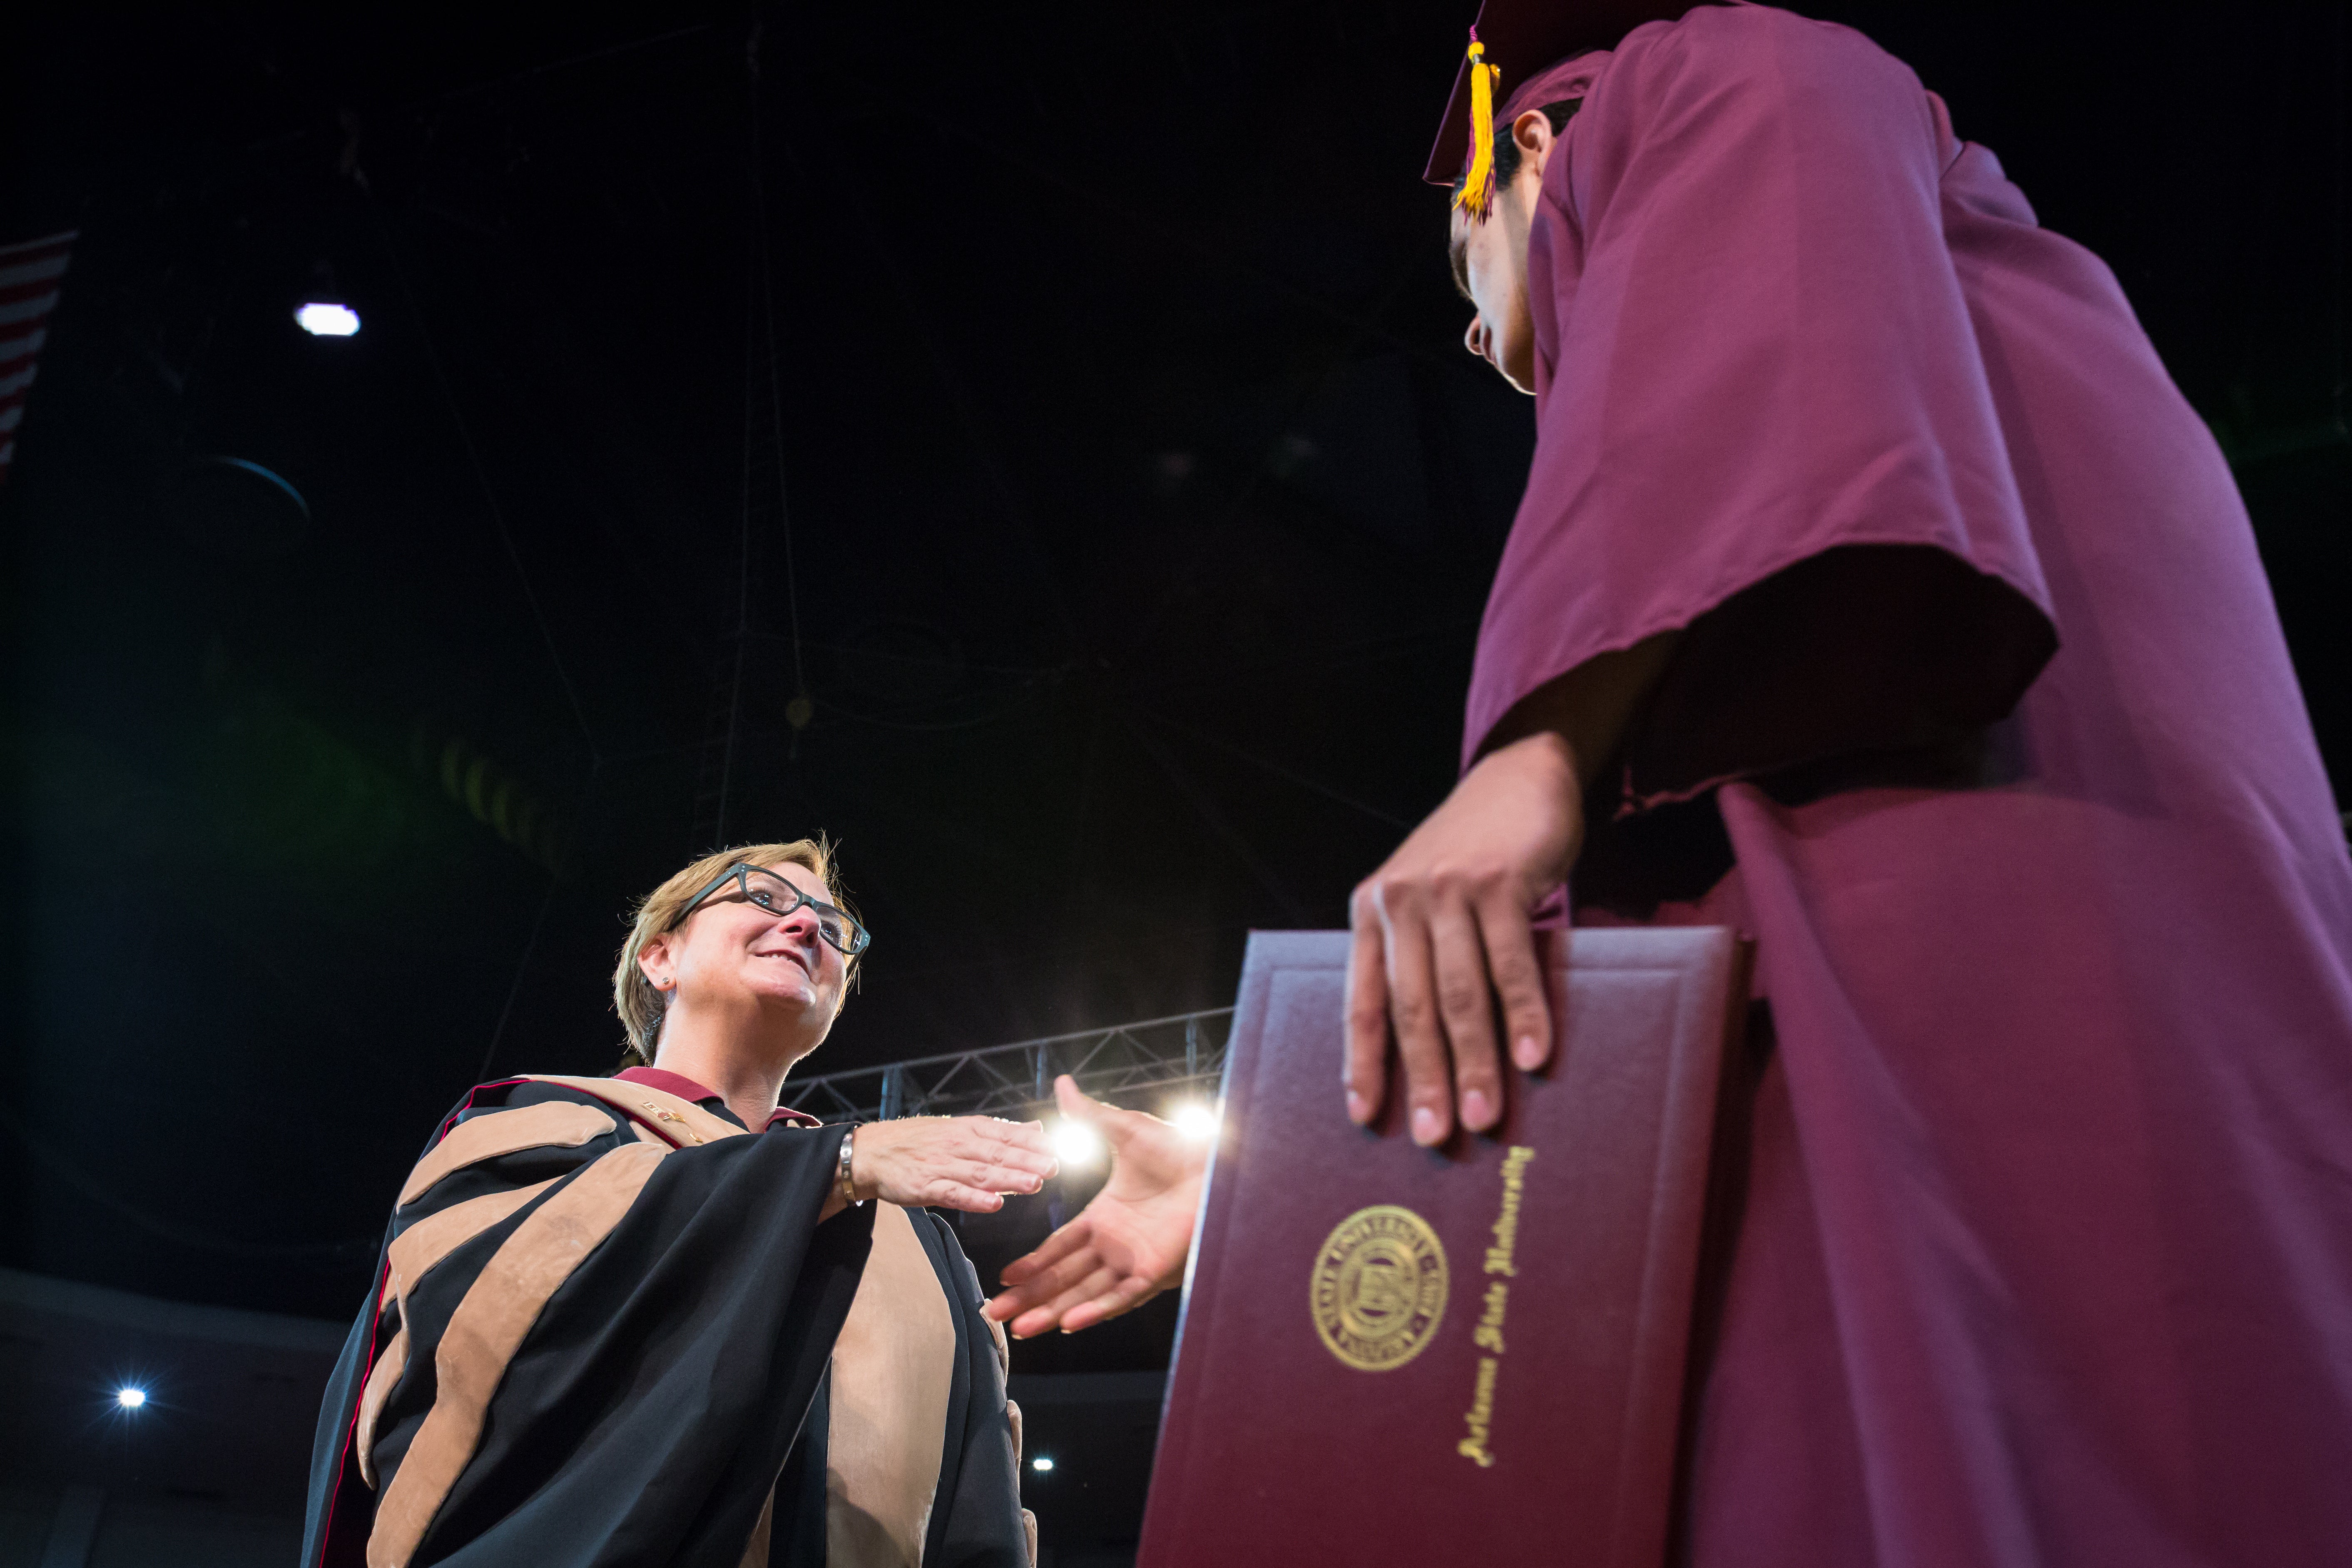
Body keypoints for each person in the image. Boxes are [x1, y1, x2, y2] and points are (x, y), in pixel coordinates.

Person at [989, 4, 2352, 1562]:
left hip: (2005, 900)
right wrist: (1287, 1193)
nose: (1466, 331)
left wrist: (1541, 748)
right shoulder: (1801, 602)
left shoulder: (1725, 69)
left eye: (1463, 256)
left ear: (1540, 144)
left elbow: (1771, 166)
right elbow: (1659, 1065)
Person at [303, 840, 1056, 1568]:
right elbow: (484, 1344)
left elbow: (978, 1505)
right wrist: (837, 1162)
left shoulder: (917, 1236)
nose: (804, 926)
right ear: (659, 957)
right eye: (764, 898)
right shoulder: (538, 1125)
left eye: (832, 930)